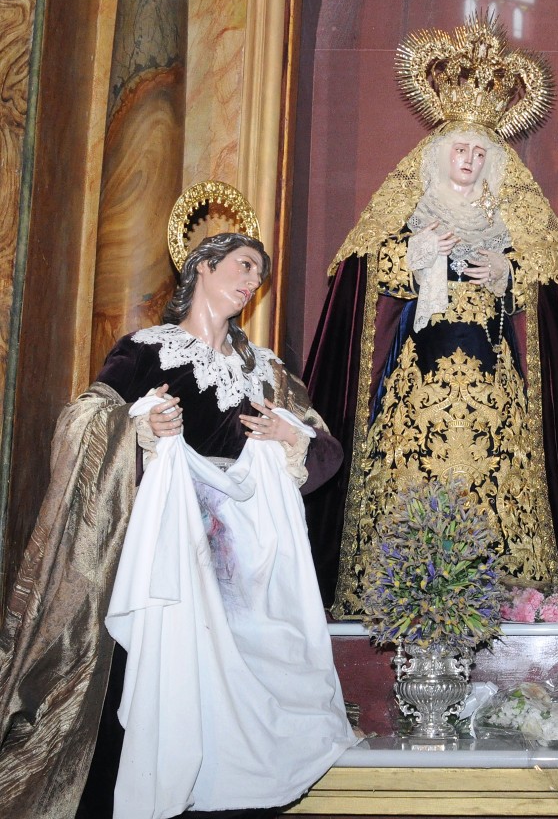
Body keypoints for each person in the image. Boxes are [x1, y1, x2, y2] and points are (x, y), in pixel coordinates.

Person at [0, 232, 356, 818]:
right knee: (159, 686)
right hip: (169, 544)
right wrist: (139, 427)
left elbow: (326, 452)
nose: (251, 281)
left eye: (259, 275)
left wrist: (292, 436)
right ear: (203, 267)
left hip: (243, 557)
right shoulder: (146, 350)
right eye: (244, 266)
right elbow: (83, 420)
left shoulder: (264, 370)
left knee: (249, 688)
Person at [305, 15, 558, 617]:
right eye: (459, 148)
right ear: (436, 155)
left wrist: (511, 279)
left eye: (480, 152)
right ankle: (403, 591)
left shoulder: (516, 221)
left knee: (502, 480)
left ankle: (515, 596)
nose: (469, 159)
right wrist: (416, 253)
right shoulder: (406, 213)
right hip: (419, 381)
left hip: (493, 377)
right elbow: (363, 282)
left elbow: (552, 298)